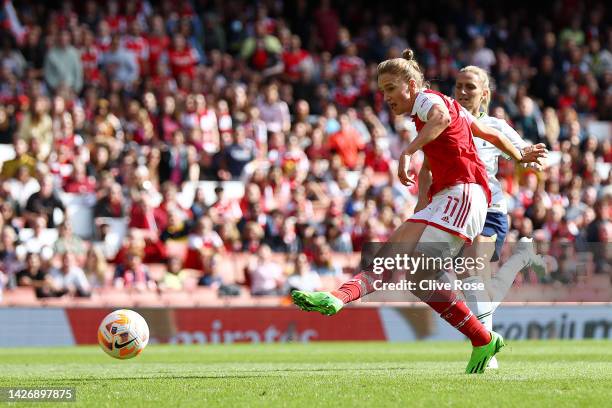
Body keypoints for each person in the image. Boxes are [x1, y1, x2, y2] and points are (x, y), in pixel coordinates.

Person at [291, 49, 546, 374]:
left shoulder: (428, 101)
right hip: (446, 198)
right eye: (383, 90)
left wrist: (406, 153)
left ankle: (485, 337)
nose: (387, 97)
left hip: (465, 193)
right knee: (391, 261)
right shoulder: (446, 108)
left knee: (431, 274)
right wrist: (520, 156)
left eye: (391, 88)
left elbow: (444, 121)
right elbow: (488, 134)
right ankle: (337, 299)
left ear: (411, 85)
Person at [427, 65, 547, 368]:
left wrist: (528, 155)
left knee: (470, 271)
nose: (463, 92)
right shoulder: (443, 124)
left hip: (490, 211)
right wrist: (421, 203)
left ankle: (484, 347)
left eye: (470, 87)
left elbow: (521, 151)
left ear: (484, 94)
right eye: (458, 86)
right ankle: (521, 258)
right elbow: (428, 168)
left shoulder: (496, 126)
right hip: (456, 212)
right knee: (479, 285)